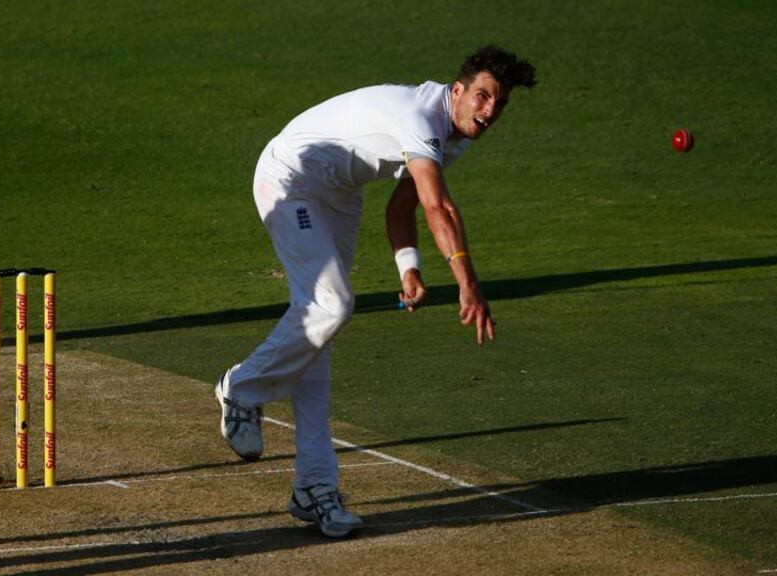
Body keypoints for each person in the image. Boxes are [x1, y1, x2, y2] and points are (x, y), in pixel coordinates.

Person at [215, 45, 537, 538]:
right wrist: (468, 284)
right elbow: (439, 209)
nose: (489, 111)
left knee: (319, 330)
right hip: (290, 176)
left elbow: (401, 207)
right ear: (458, 91)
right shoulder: (419, 118)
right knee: (332, 305)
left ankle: (314, 489)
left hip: (339, 194)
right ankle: (241, 389)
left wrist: (408, 268)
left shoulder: (454, 134)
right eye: (482, 96)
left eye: (499, 104)